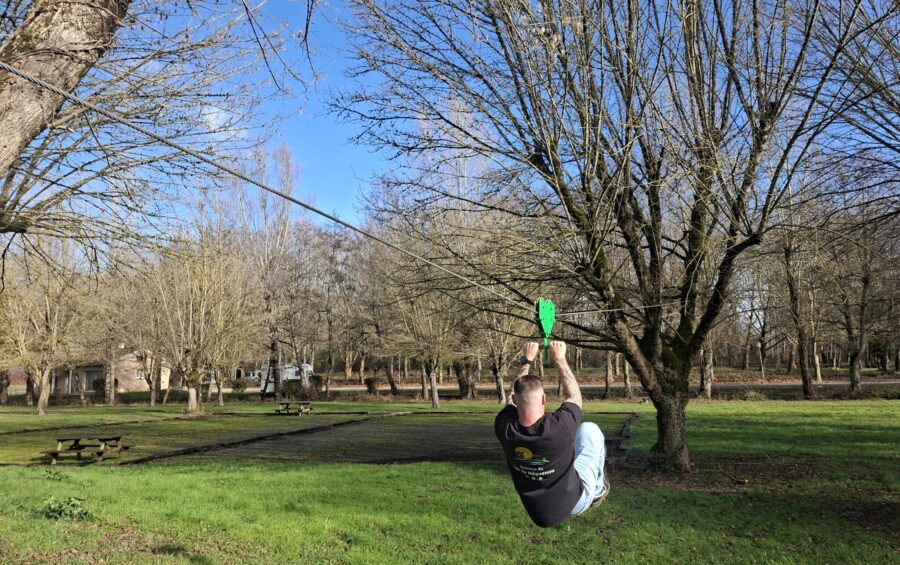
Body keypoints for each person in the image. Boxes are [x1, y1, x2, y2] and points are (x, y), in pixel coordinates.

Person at [494, 340, 609, 527]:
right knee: (589, 430)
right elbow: (574, 397)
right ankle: (597, 490)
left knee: (570, 446)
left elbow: (511, 398)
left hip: (537, 512)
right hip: (577, 501)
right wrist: (559, 359)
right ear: (544, 399)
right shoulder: (560, 427)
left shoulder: (504, 427)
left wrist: (526, 360)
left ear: (515, 399)